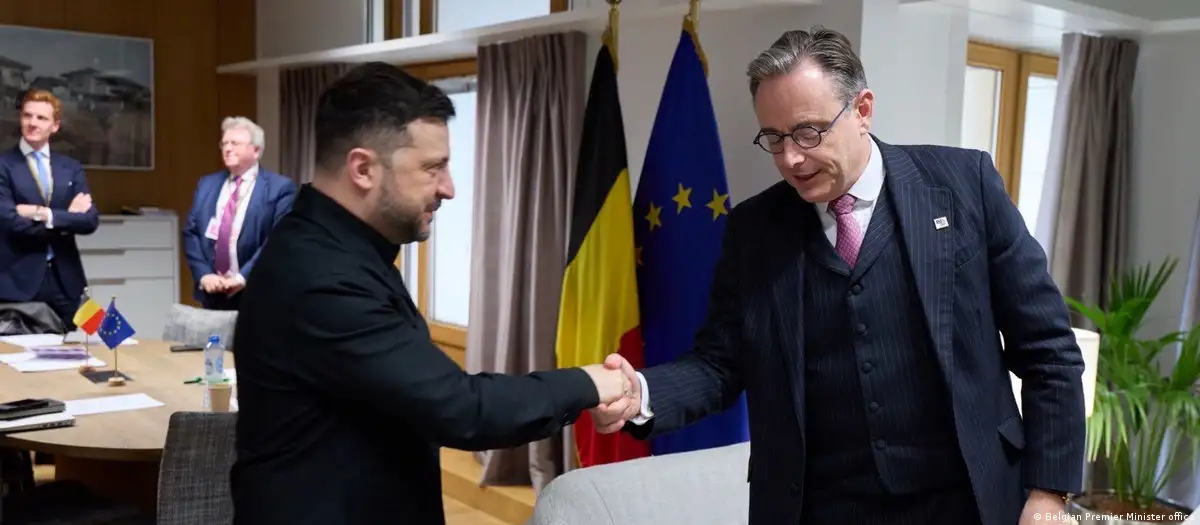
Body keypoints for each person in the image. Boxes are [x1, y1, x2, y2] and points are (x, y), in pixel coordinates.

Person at [591, 26, 1085, 525]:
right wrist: (643, 394)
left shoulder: (964, 186)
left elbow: (1048, 350)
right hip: (817, 508)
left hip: (967, 500)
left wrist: (1049, 493)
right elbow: (720, 364)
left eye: (808, 132)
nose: (790, 159)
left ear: (862, 110)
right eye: (774, 138)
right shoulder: (753, 230)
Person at [229, 62, 630, 525]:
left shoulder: (346, 249)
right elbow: (461, 409)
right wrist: (589, 382)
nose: (449, 188)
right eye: (432, 168)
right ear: (363, 168)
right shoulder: (320, 274)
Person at [0, 89, 98, 331]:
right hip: (17, 282)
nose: (32, 123)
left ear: (55, 126)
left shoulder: (71, 168)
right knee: (18, 360)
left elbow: (90, 221)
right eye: (27, 116)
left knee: (89, 349)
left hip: (68, 280)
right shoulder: (3, 165)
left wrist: (44, 214)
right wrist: (66, 220)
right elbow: (10, 222)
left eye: (41, 118)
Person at [182, 116, 295, 310]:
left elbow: (278, 239)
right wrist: (204, 274)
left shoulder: (280, 188)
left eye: (235, 143)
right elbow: (191, 233)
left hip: (257, 293)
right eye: (224, 143)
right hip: (212, 293)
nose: (227, 148)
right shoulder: (207, 184)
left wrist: (243, 277)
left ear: (256, 150)